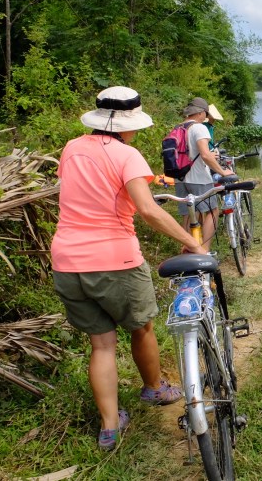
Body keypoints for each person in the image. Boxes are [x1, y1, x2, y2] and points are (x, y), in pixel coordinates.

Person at [51, 86, 207, 451]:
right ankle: (154, 389)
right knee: (142, 326)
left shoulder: (72, 148)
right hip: (114, 260)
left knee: (101, 345)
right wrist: (193, 242)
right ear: (127, 124)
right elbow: (148, 210)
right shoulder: (128, 155)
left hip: (67, 261)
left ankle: (109, 426)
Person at [175, 97, 234, 250]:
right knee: (213, 211)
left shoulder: (177, 128)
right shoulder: (199, 128)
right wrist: (222, 171)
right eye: (205, 113)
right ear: (201, 113)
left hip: (180, 178)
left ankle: (186, 248)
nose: (206, 116)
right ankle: (204, 249)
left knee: (188, 214)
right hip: (199, 178)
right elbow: (205, 155)